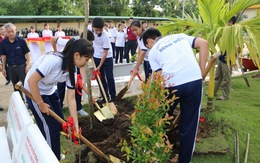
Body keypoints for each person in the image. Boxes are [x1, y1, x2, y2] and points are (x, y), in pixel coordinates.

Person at [142, 28, 208, 163]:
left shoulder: (153, 51)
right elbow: (204, 43)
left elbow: (159, 79)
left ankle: (154, 157)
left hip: (171, 86)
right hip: (194, 81)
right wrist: (201, 73)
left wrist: (153, 102)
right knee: (189, 125)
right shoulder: (180, 36)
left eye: (147, 46)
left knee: (159, 122)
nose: (148, 48)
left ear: (149, 41)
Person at [24, 38, 94, 160]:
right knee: (50, 128)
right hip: (33, 92)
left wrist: (76, 125)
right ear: (77, 55)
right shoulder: (54, 61)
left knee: (61, 124)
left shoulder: (72, 70)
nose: (86, 63)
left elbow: (71, 99)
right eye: (86, 59)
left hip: (49, 90)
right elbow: (31, 81)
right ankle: (51, 158)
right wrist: (40, 103)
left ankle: (53, 150)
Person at [53, 30, 94, 117]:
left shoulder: (83, 53)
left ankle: (78, 108)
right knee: (61, 87)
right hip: (63, 66)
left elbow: (82, 65)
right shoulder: (70, 42)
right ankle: (59, 108)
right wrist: (56, 52)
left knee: (76, 87)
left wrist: (82, 79)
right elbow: (53, 39)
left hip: (74, 66)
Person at [0, 23, 31, 101]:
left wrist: (28, 65)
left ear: (15, 31)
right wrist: (4, 68)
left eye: (12, 31)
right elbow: (3, 56)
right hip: (10, 67)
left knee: (25, 85)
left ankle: (30, 102)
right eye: (8, 32)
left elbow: (27, 53)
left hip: (21, 66)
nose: (11, 33)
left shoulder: (21, 41)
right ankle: (20, 102)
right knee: (16, 86)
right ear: (6, 32)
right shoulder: (3, 43)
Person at [92, 17, 116, 102]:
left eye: (100, 30)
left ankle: (113, 97)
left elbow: (105, 53)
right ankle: (105, 97)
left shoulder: (106, 36)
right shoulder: (90, 33)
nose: (98, 32)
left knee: (109, 77)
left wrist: (99, 66)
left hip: (107, 57)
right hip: (96, 57)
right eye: (96, 30)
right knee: (100, 78)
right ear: (92, 27)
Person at [214, 16, 237, 101]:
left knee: (226, 79)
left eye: (230, 22)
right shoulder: (225, 31)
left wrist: (232, 57)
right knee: (217, 77)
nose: (228, 23)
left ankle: (225, 96)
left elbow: (238, 47)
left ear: (233, 23)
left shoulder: (234, 33)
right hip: (221, 58)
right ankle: (213, 92)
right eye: (227, 22)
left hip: (228, 60)